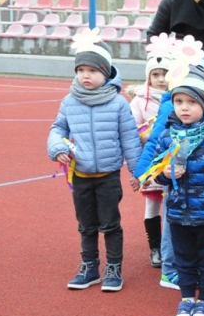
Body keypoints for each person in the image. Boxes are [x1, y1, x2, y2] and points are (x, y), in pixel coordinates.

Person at [47, 30, 142, 291]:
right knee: (86, 225)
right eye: (80, 70)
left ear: (105, 72)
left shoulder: (118, 103)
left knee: (110, 224)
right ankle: (89, 266)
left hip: (108, 177)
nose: (85, 75)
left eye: (91, 70)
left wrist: (138, 172)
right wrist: (57, 148)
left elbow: (130, 139)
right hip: (80, 175)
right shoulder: (69, 102)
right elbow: (58, 129)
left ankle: (113, 267)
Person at [150, 65, 204, 316]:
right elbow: (156, 172)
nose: (184, 108)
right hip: (178, 212)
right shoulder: (167, 136)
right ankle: (186, 299)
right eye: (179, 102)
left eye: (191, 102)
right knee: (183, 259)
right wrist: (165, 173)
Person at [127, 51, 170, 267]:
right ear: (148, 77)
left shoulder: (177, 96)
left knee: (173, 203)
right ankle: (155, 248)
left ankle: (171, 246)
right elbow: (131, 128)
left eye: (165, 74)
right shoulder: (139, 101)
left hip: (172, 161)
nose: (161, 79)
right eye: (156, 74)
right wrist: (146, 134)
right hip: (151, 160)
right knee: (152, 204)